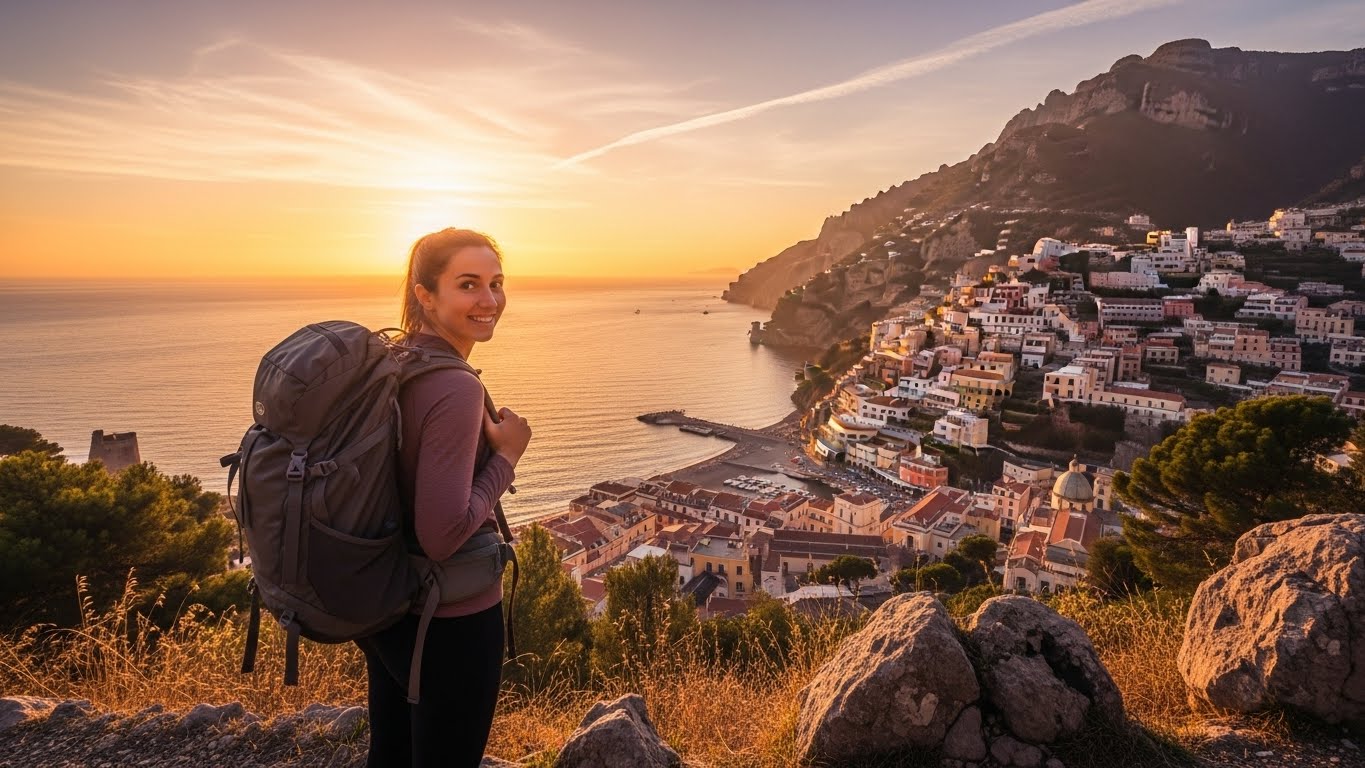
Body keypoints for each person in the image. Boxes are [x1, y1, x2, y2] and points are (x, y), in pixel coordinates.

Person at [356, 228, 532, 767]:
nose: (490, 300)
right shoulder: (457, 387)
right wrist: (507, 457)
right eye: (469, 285)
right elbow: (443, 534)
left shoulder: (396, 359)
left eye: (496, 283)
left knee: (392, 754)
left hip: (389, 606)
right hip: (450, 618)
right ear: (425, 295)